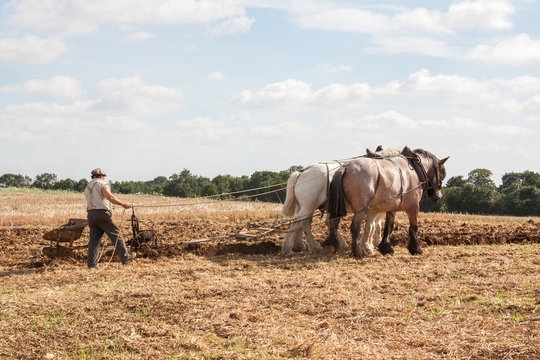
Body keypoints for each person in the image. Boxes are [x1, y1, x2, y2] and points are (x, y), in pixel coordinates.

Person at [84, 168, 136, 268]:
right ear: (102, 176)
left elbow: (96, 201)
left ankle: (91, 265)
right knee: (116, 235)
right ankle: (125, 258)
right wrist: (123, 204)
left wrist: (107, 205)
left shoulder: (88, 187)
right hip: (102, 215)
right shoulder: (102, 184)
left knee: (94, 242)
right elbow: (110, 197)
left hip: (91, 215)